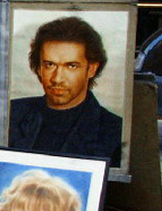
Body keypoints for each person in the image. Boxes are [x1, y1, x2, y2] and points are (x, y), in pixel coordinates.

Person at [9, 16, 122, 166]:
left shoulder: (114, 130)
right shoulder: (12, 113)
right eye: (50, 64)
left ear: (92, 69)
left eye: (71, 66)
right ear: (38, 68)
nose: (57, 78)